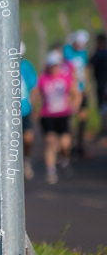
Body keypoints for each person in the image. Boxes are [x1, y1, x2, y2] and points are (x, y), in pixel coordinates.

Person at [34, 48, 80, 184]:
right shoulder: (43, 78)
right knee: (50, 142)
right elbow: (36, 94)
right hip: (47, 115)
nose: (54, 68)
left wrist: (74, 106)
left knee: (65, 143)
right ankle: (51, 170)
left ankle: (64, 159)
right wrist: (35, 108)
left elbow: (75, 93)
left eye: (56, 65)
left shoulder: (65, 77)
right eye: (51, 65)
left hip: (63, 114)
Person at [63, 30, 91, 158]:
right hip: (71, 90)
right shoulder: (66, 51)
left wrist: (86, 86)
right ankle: (69, 145)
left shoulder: (83, 52)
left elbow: (85, 68)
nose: (80, 47)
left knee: (82, 118)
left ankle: (80, 145)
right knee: (71, 117)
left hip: (81, 89)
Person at [18, 43, 38, 180]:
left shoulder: (26, 66)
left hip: (24, 110)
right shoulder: (3, 66)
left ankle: (26, 160)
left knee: (28, 138)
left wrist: (32, 103)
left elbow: (34, 86)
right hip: (8, 112)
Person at [89, 32, 107, 142]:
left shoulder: (99, 53)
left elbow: (89, 64)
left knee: (103, 109)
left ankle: (104, 131)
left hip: (103, 86)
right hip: (102, 85)